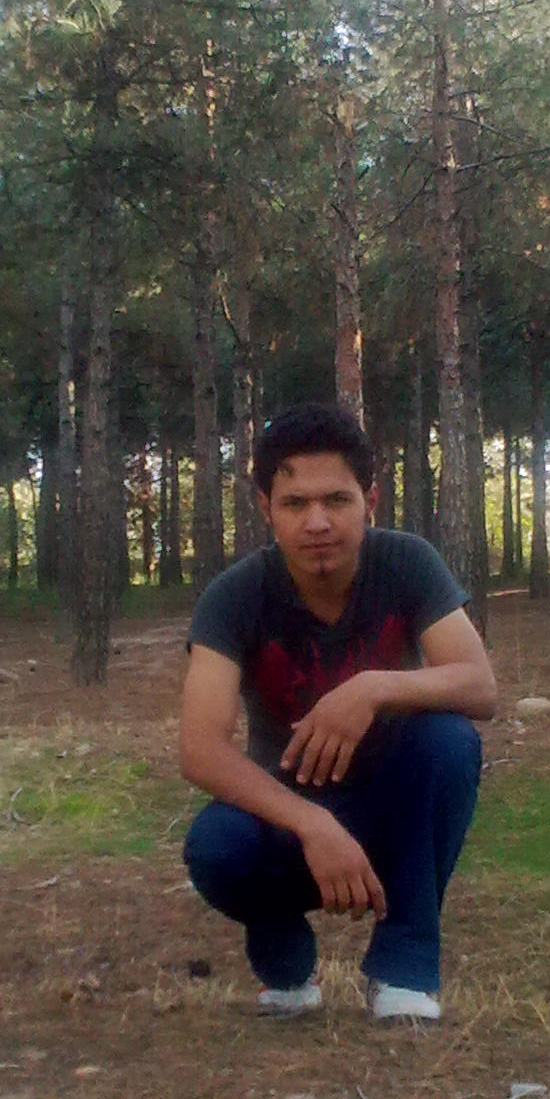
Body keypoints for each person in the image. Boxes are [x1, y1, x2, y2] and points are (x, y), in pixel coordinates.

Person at [180, 401, 497, 1021]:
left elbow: (480, 686)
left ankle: (403, 972)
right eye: (295, 504)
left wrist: (370, 688)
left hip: (392, 812)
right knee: (215, 846)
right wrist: (314, 825)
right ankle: (286, 965)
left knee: (449, 741)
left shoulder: (406, 563)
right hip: (287, 815)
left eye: (337, 500)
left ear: (370, 500)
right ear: (266, 508)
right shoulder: (234, 596)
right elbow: (200, 750)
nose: (318, 522)